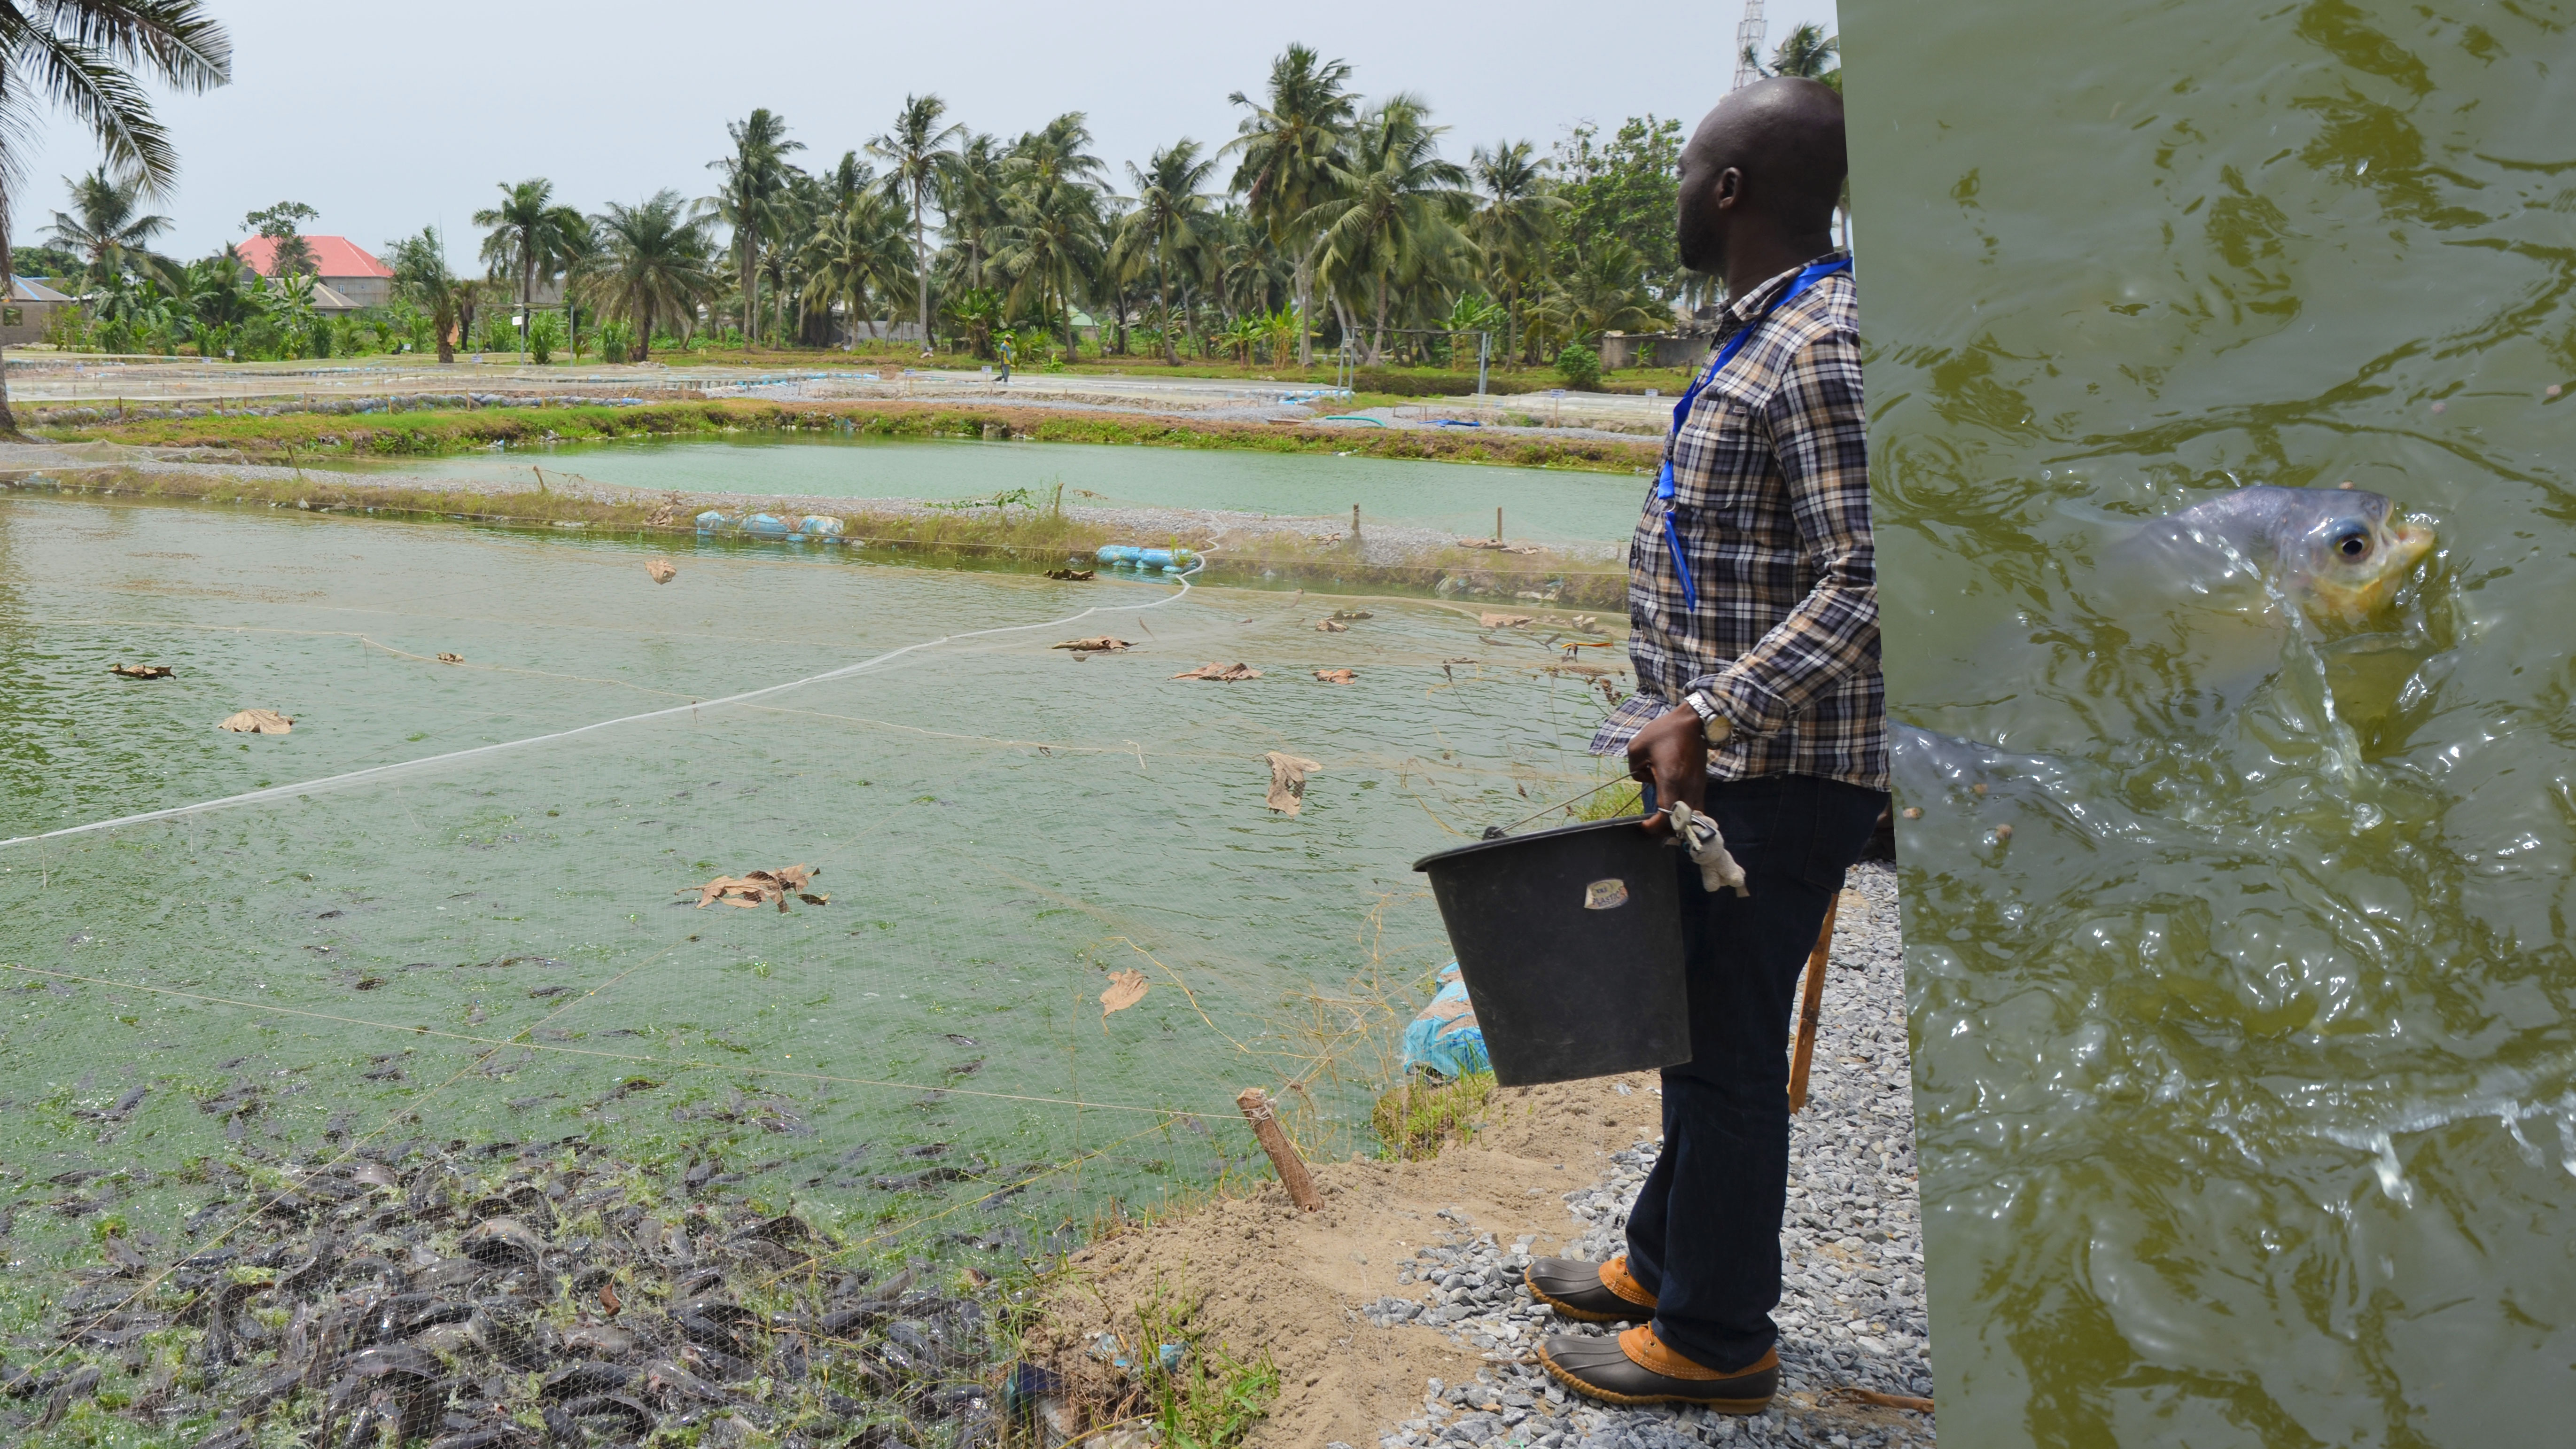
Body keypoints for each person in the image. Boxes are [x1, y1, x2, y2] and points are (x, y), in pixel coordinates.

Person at [1525, 76, 1887, 1414]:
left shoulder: (1821, 345)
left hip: (1780, 773)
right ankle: (1658, 1259)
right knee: (1699, 1031)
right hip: (1728, 767)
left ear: (1728, 189)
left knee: (1727, 1054)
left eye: (1685, 169)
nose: (1675, 189)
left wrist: (1705, 708)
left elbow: (1869, 578)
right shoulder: (1767, 331)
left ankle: (1718, 1337)